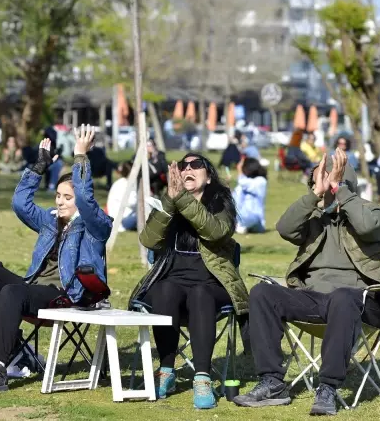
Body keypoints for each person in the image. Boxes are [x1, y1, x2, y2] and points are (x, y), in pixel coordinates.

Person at [233, 149, 380, 416]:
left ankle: (327, 387)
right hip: (314, 300)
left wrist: (340, 191)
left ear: (343, 185)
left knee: (343, 296)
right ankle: (272, 383)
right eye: (315, 184)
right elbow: (284, 229)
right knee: (262, 294)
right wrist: (314, 195)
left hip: (362, 301)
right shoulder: (313, 217)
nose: (320, 189)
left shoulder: (372, 211)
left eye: (326, 183)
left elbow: (368, 227)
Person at [0, 124, 112, 393]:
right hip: (36, 287)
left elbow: (86, 199)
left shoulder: (95, 226)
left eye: (67, 197)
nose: (60, 201)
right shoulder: (50, 221)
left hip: (68, 293)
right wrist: (38, 167)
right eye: (58, 195)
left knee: (11, 292)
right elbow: (20, 204)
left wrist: (81, 156)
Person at [129, 153, 249, 409]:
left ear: (208, 177)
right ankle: (166, 371)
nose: (188, 169)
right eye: (183, 166)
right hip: (173, 279)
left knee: (200, 294)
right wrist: (170, 204)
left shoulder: (221, 202)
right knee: (163, 289)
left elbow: (215, 231)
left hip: (213, 284)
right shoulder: (171, 200)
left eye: (196, 165)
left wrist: (181, 199)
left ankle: (202, 377)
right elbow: (148, 240)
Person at [233, 157, 267, 234]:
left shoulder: (261, 181)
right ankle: (239, 225)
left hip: (255, 219)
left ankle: (239, 226)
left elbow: (243, 183)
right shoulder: (246, 182)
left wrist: (240, 171)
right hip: (244, 217)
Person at [107, 161, 137, 231]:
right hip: (121, 221)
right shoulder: (123, 184)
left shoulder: (122, 182)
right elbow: (132, 203)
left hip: (121, 217)